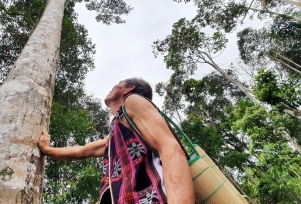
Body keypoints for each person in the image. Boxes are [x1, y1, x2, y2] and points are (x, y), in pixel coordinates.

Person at [38, 78, 195, 204]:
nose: (112, 87)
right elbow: (83, 151)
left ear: (128, 89)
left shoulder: (133, 101)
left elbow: (170, 148)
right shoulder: (116, 131)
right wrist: (47, 149)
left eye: (118, 84)